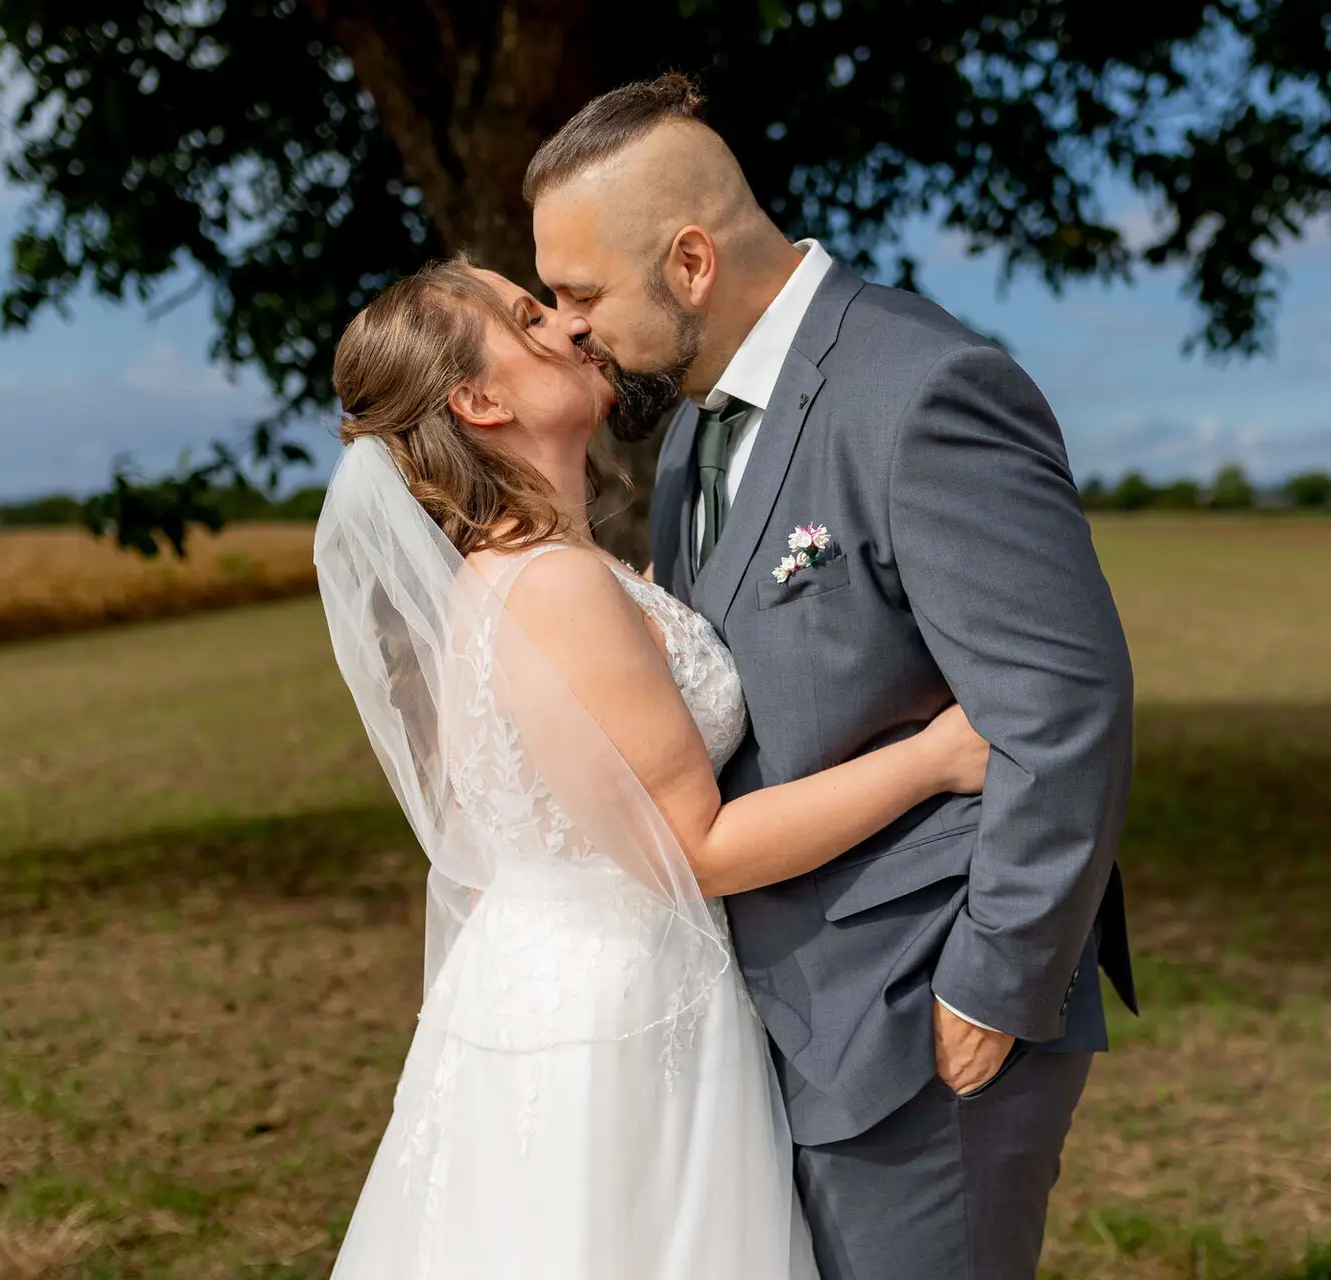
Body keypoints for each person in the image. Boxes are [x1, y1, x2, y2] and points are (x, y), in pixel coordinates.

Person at [525, 73, 1137, 1280]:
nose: (566, 324)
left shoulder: (922, 390)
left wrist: (993, 982)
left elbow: (1064, 710)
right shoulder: (696, 422)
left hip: (923, 1015)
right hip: (776, 1016)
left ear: (691, 263)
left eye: (580, 292)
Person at [314, 251, 991, 1278]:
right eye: (527, 318)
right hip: (620, 1015)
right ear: (479, 399)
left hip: (540, 984)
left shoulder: (521, 578)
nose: (569, 325)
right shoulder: (553, 587)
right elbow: (696, 844)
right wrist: (935, 759)